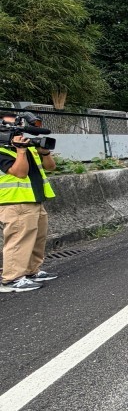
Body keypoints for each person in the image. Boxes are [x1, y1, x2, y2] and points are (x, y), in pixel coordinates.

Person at [0, 112, 58, 293]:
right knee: (19, 240)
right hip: (14, 203)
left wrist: (45, 152)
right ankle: (11, 279)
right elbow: (20, 172)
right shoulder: (2, 151)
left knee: (37, 239)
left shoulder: (28, 148)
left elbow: (50, 167)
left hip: (35, 199)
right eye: (9, 127)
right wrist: (21, 151)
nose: (16, 131)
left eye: (17, 127)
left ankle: (32, 271)